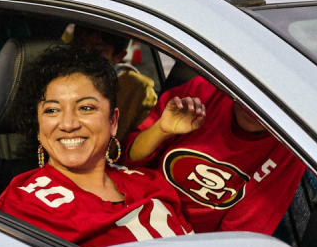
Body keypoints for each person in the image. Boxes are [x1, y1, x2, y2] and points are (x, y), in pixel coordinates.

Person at [0, 43, 192, 247]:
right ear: (38, 126)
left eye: (86, 108)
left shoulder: (150, 183)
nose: (69, 124)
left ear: (113, 121)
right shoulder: (25, 206)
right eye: (52, 110)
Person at [121, 76, 307, 235]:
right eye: (250, 87)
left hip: (184, 242)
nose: (253, 105)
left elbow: (237, 238)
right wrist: (161, 130)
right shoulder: (200, 93)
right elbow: (128, 160)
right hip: (129, 210)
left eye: (269, 98)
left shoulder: (289, 150)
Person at [63, 24, 156, 140]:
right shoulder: (57, 82)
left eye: (96, 51)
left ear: (119, 56)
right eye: (80, 48)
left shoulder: (137, 90)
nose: (84, 57)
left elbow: (145, 141)